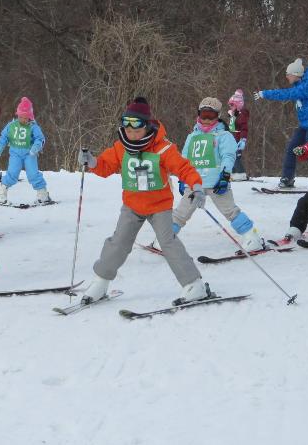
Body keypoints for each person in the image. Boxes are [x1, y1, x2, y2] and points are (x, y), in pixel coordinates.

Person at [77, 97, 212, 306]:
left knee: (168, 243)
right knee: (118, 242)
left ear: (147, 127)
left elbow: (183, 168)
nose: (132, 134)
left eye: (136, 130)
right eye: (128, 130)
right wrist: (92, 161)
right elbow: (105, 166)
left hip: (159, 206)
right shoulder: (121, 147)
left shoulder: (163, 148)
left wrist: (196, 185)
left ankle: (194, 285)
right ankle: (101, 282)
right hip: (132, 205)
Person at [171, 96, 266, 252]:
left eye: (211, 116)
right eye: (204, 115)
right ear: (198, 114)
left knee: (230, 211)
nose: (207, 120)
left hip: (216, 182)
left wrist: (225, 176)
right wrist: (182, 178)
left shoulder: (224, 136)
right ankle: (166, 239)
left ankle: (251, 237)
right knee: (181, 213)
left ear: (218, 116)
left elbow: (229, 156)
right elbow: (184, 159)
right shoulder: (192, 137)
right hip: (194, 183)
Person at [253, 58, 308, 188]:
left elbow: (286, 94)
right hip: (306, 125)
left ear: (296, 74)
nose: (286, 76)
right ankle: (287, 178)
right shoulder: (300, 84)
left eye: (288, 74)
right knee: (292, 149)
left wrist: (265, 94)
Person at [0, 97, 51, 204]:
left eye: (25, 117)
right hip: (15, 154)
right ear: (17, 114)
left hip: (30, 154)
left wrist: (36, 147)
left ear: (30, 117)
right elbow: (4, 136)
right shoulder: (12, 125)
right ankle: (0, 193)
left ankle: (43, 194)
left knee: (33, 174)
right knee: (12, 174)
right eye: (20, 116)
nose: (23, 119)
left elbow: (40, 139)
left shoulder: (33, 127)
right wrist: (0, 146)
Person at [227, 89, 250, 181]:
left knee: (236, 157)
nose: (230, 107)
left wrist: (243, 139)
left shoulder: (241, 116)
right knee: (231, 156)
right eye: (230, 105)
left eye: (232, 105)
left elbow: (244, 128)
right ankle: (232, 173)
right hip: (232, 140)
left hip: (238, 140)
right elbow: (231, 127)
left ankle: (241, 173)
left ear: (238, 105)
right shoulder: (234, 114)